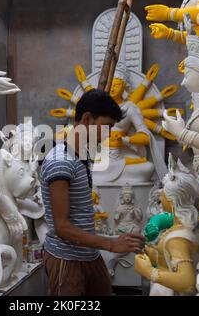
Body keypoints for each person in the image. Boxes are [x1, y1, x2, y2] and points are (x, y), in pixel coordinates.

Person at [41, 89, 145, 296]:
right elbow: (62, 227)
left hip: (88, 253)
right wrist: (110, 243)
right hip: (66, 258)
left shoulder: (82, 154)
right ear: (87, 119)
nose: (109, 134)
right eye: (106, 127)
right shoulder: (60, 162)